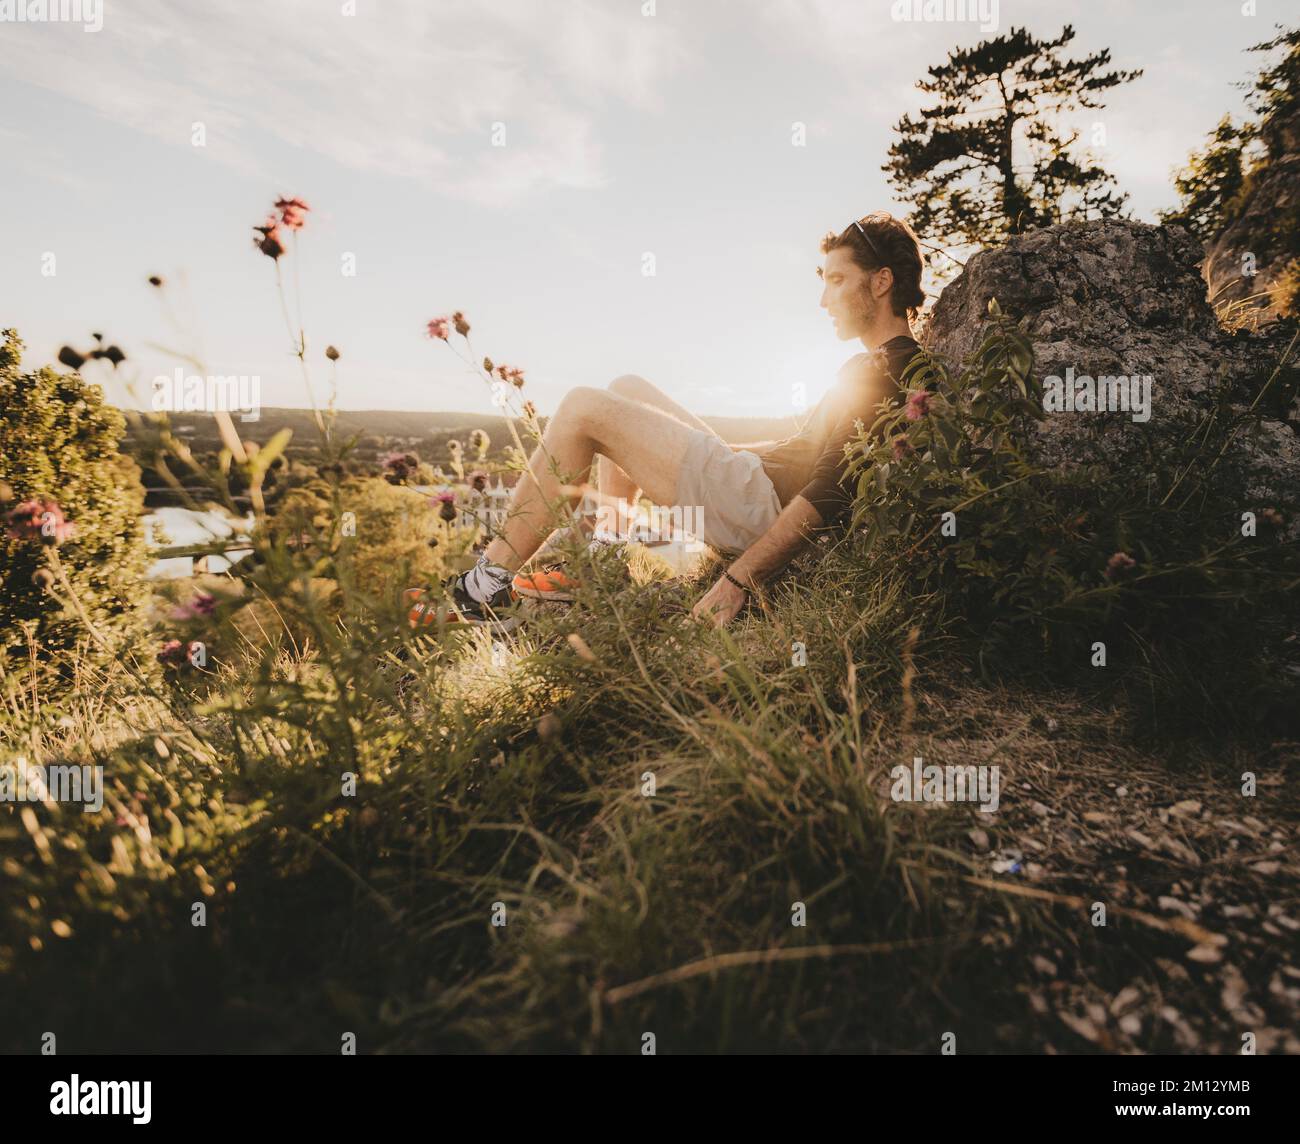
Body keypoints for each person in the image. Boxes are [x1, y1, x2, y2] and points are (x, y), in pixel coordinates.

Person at [409, 211, 925, 634]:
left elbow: (829, 492)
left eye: (837, 280)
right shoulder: (876, 363)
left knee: (583, 408)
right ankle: (602, 560)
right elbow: (813, 452)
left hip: (762, 506)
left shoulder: (891, 367)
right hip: (758, 482)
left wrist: (737, 583)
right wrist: (732, 450)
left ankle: (483, 587)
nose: (823, 298)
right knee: (628, 387)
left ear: (882, 282)